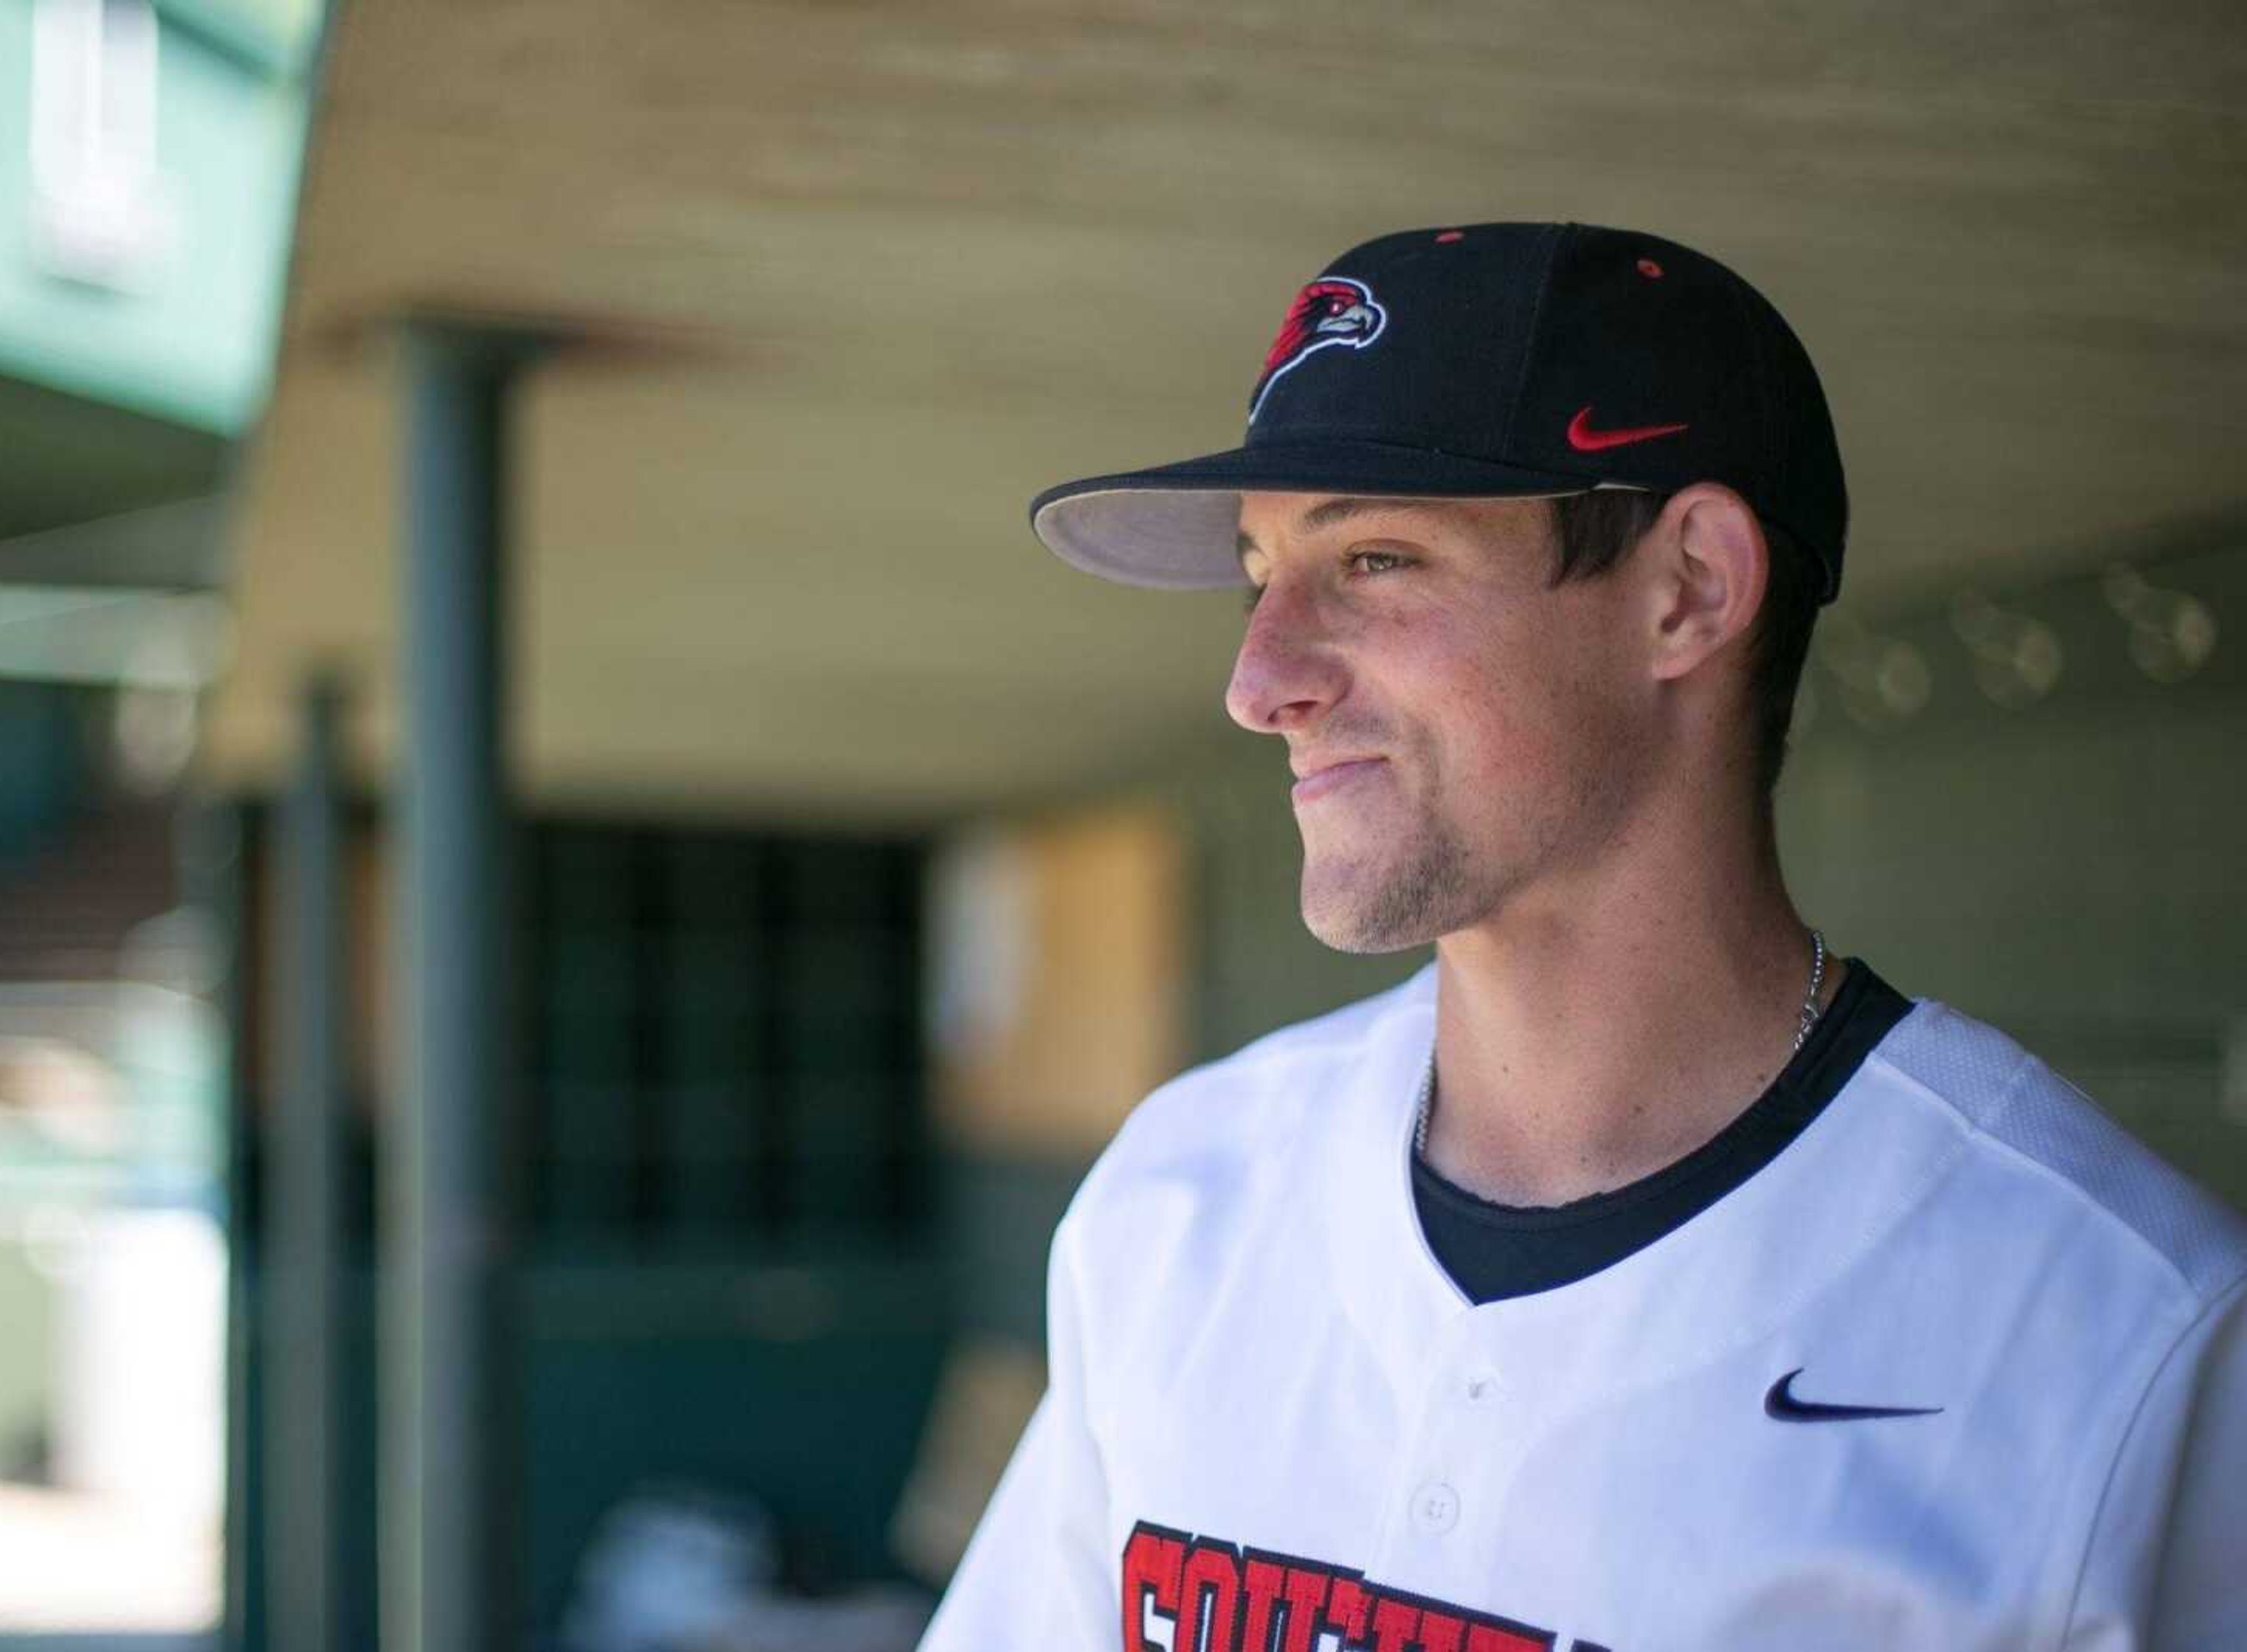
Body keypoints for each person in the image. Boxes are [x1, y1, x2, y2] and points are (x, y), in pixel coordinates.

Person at [916, 223, 2245, 1651]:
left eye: (1372, 559)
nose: (1259, 680)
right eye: (1259, 579)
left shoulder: (2119, 1334)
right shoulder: (1177, 1200)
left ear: (1690, 591)